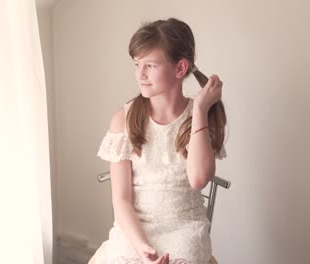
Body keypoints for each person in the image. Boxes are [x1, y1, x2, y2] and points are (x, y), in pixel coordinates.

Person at [89, 18, 228, 264]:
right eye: (137, 64)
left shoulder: (201, 115)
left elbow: (197, 180)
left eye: (150, 65)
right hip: (134, 227)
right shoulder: (124, 119)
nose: (140, 74)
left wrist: (199, 110)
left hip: (184, 226)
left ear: (180, 68)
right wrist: (143, 248)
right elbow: (121, 200)